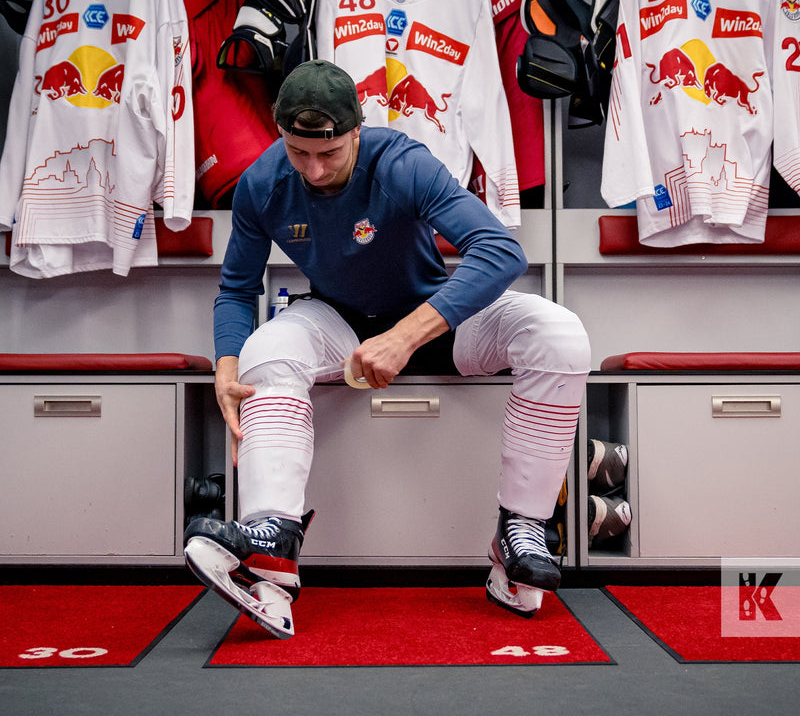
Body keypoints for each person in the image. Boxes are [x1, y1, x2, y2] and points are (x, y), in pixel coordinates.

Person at [184, 60, 591, 638]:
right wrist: (226, 370)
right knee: (264, 348)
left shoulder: (402, 162)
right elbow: (236, 289)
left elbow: (500, 252)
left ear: (356, 130)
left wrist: (405, 336)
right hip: (343, 326)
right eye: (300, 153)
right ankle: (270, 551)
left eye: (330, 154)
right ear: (281, 135)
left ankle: (521, 529)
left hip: (437, 322)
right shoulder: (261, 184)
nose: (315, 169)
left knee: (561, 334)